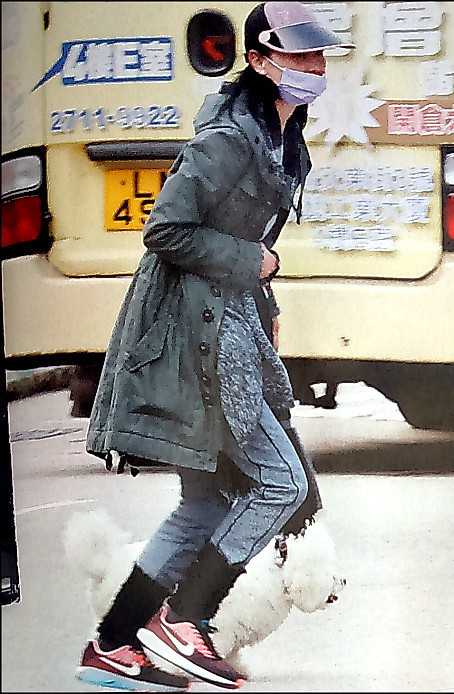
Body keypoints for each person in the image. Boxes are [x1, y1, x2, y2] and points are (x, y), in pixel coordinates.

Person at [77, 2, 355, 691]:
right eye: (298, 56)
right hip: (197, 336)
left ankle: (113, 646)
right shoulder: (231, 138)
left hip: (224, 323)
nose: (315, 68)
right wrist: (252, 262)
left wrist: (264, 300)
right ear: (258, 61)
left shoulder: (282, 137)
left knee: (204, 504)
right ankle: (186, 621)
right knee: (281, 481)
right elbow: (165, 230)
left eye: (319, 57)